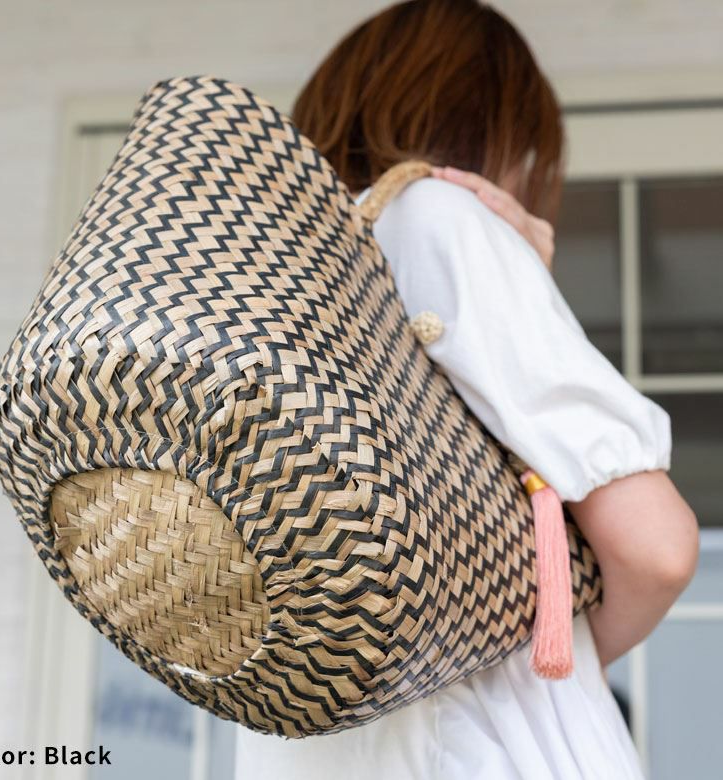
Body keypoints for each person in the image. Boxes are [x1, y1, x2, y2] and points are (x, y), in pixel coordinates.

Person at [233, 1, 700, 777]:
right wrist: (572, 654)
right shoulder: (438, 218)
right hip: (480, 746)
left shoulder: (277, 290)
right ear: (495, 129)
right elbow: (657, 548)